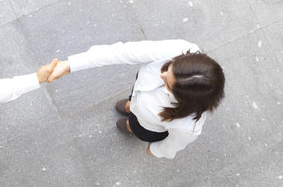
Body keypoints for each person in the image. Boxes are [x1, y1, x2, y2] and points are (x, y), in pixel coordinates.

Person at [48, 40, 225, 158]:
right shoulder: (184, 51)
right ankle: (130, 106)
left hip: (148, 125)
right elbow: (125, 52)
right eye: (168, 67)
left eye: (168, 85)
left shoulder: (188, 125)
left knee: (134, 124)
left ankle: (130, 126)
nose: (161, 75)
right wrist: (71, 65)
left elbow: (174, 143)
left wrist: (156, 151)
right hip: (140, 92)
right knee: (131, 103)